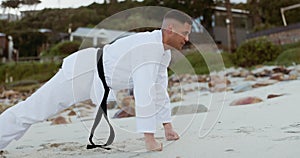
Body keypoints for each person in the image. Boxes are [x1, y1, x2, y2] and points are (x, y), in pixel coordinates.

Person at [0, 10, 192, 151]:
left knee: (35, 110)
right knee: (35, 109)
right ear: (170, 29)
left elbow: (158, 90)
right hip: (83, 72)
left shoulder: (163, 53)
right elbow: (143, 91)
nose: (187, 38)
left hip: (97, 78)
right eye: (184, 33)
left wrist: (168, 127)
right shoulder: (149, 47)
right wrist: (149, 138)